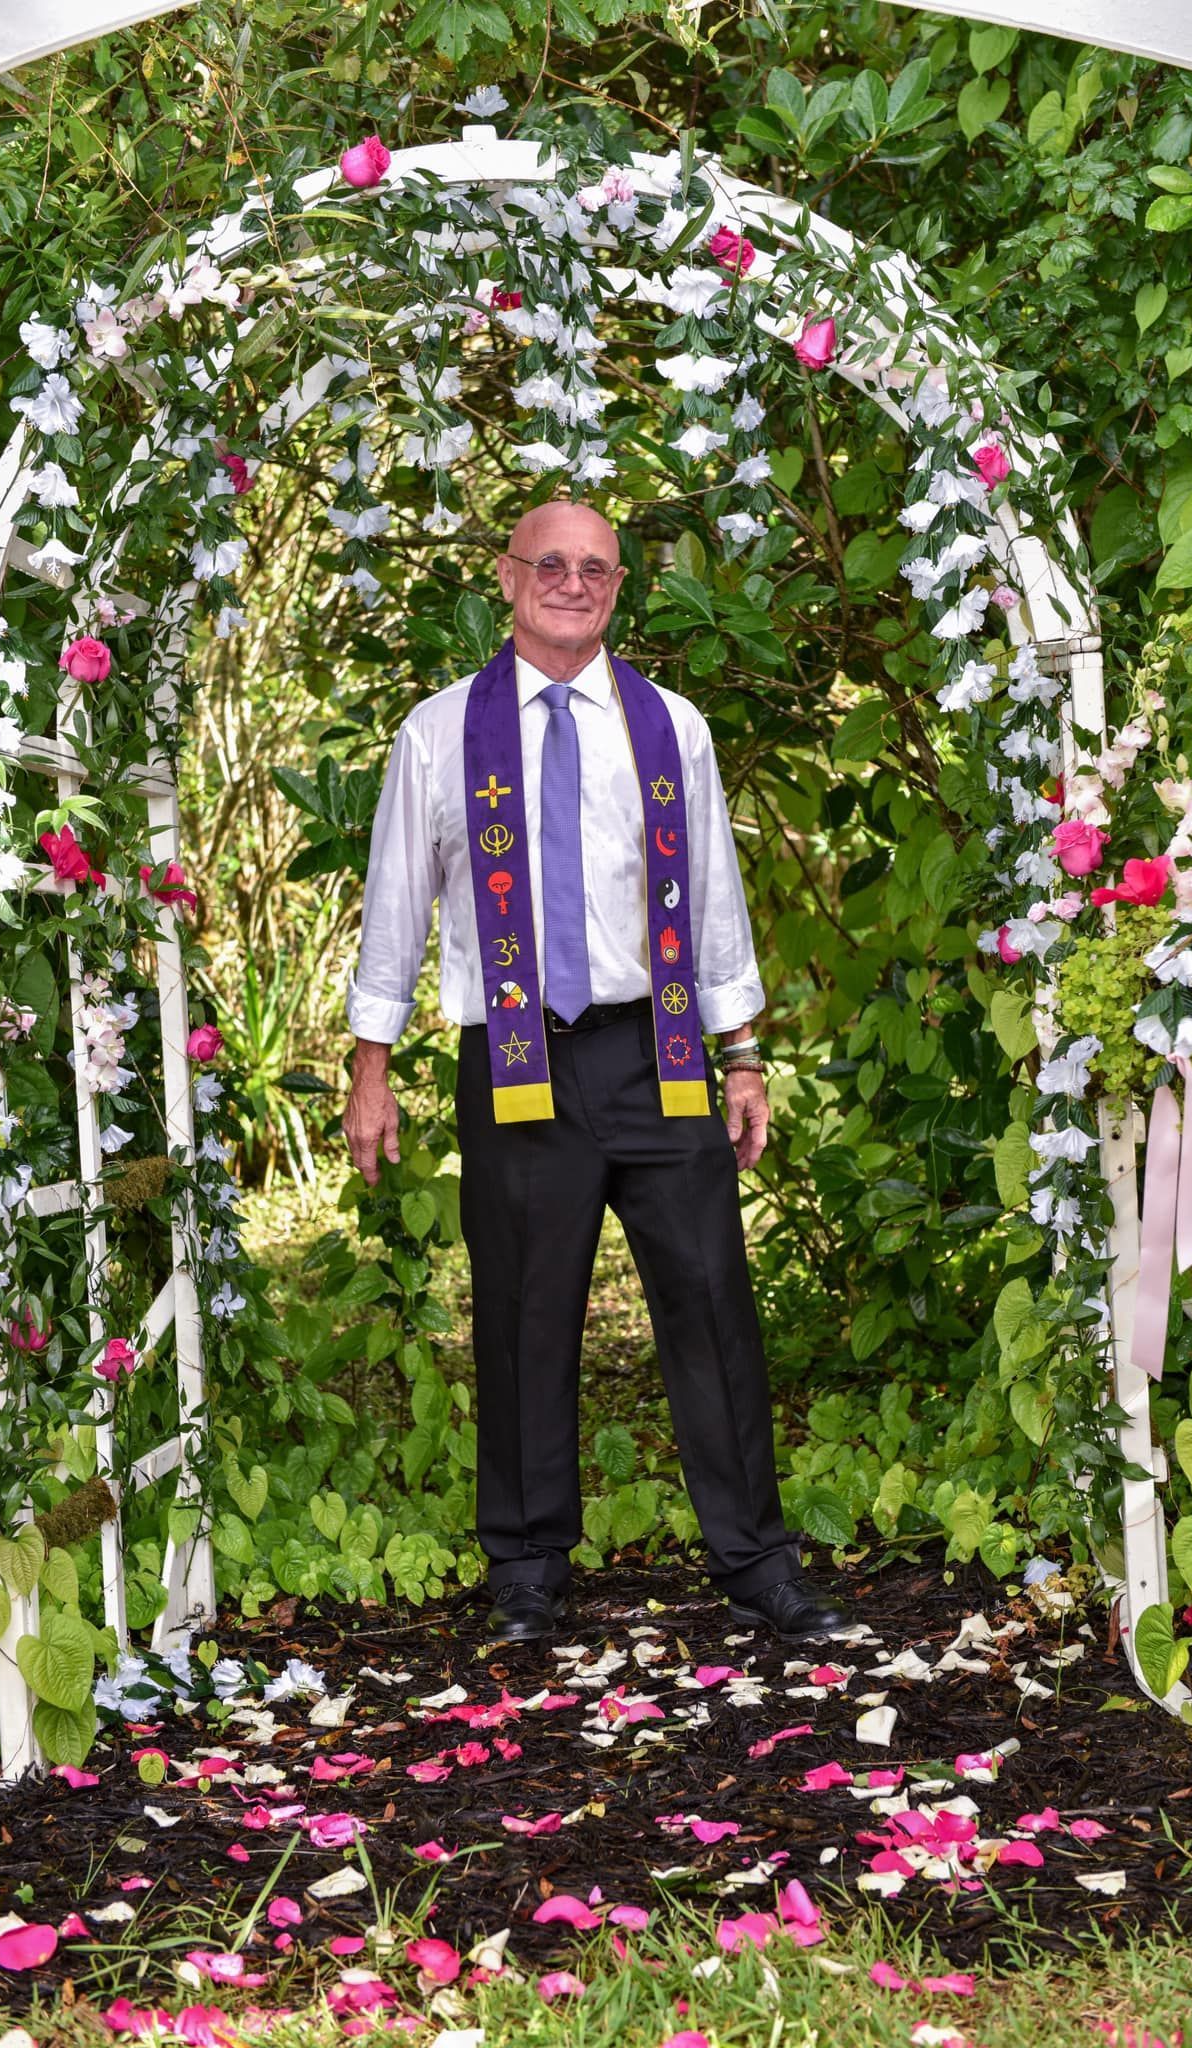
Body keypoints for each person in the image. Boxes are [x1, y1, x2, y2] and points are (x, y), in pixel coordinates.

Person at [342, 499, 850, 1645]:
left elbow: (712, 896)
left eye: (596, 568)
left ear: (618, 587)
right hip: (515, 1055)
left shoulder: (671, 725)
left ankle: (757, 1561)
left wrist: (740, 1052)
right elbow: (396, 903)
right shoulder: (438, 733)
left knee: (712, 1296)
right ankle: (526, 1568)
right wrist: (371, 1065)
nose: (572, 582)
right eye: (551, 563)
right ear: (507, 577)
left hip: (654, 1049)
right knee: (523, 1311)